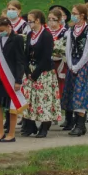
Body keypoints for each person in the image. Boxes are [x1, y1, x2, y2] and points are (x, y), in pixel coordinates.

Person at [22, 9, 61, 139]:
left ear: (38, 20)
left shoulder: (46, 35)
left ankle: (44, 126)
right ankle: (30, 124)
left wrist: (35, 74)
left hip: (43, 72)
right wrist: (27, 70)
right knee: (30, 99)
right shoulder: (30, 34)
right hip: (31, 70)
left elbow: (46, 57)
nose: (29, 23)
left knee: (44, 100)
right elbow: (26, 53)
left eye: (31, 21)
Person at [62, 4, 88, 137]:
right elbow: (68, 48)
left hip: (85, 65)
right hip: (73, 63)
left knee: (80, 93)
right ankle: (78, 123)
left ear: (82, 15)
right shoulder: (71, 30)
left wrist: (78, 66)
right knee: (72, 93)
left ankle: (80, 124)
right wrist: (70, 64)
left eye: (75, 13)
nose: (73, 15)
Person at [0, 16, 25, 142]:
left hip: (11, 77)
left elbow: (20, 61)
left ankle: (11, 133)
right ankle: (0, 132)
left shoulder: (17, 39)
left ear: (9, 27)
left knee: (12, 106)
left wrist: (18, 79)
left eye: (2, 30)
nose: (0, 32)